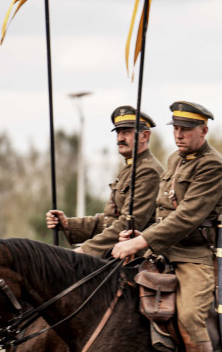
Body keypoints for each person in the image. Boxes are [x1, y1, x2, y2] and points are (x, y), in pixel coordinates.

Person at [111, 101, 222, 352]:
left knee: (190, 316)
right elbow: (164, 212)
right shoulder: (174, 159)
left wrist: (140, 243)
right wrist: (140, 234)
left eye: (186, 129)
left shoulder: (213, 166)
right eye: (175, 128)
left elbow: (186, 217)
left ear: (203, 131)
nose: (179, 135)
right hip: (165, 250)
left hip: (197, 254)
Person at [45, 106, 163, 257]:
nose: (120, 138)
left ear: (145, 136)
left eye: (127, 132)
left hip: (137, 256)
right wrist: (68, 224)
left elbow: (128, 224)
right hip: (118, 251)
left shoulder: (148, 171)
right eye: (118, 132)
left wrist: (84, 252)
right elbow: (109, 220)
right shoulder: (129, 168)